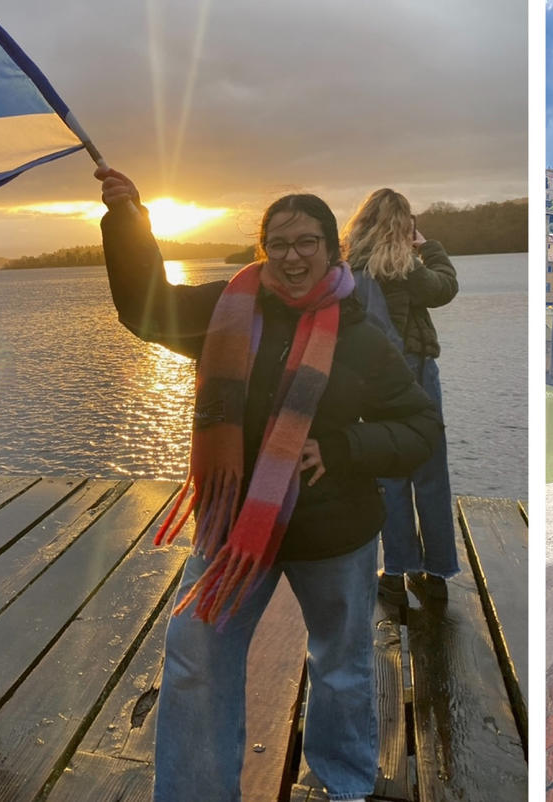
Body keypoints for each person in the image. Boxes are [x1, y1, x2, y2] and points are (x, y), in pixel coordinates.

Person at [96, 167, 441, 802]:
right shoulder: (224, 309)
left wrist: (341, 447)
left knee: (341, 667)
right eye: (277, 243)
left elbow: (420, 427)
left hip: (333, 528)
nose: (291, 256)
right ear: (263, 251)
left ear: (332, 249)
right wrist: (127, 221)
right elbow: (145, 307)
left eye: (306, 241)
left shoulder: (361, 334)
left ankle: (343, 784)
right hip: (233, 527)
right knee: (195, 654)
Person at [341, 188, 459, 603]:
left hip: (372, 381)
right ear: (404, 224)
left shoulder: (349, 269)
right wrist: (431, 248)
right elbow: (445, 287)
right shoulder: (408, 267)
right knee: (430, 472)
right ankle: (438, 571)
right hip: (417, 375)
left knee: (388, 473)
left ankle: (395, 569)